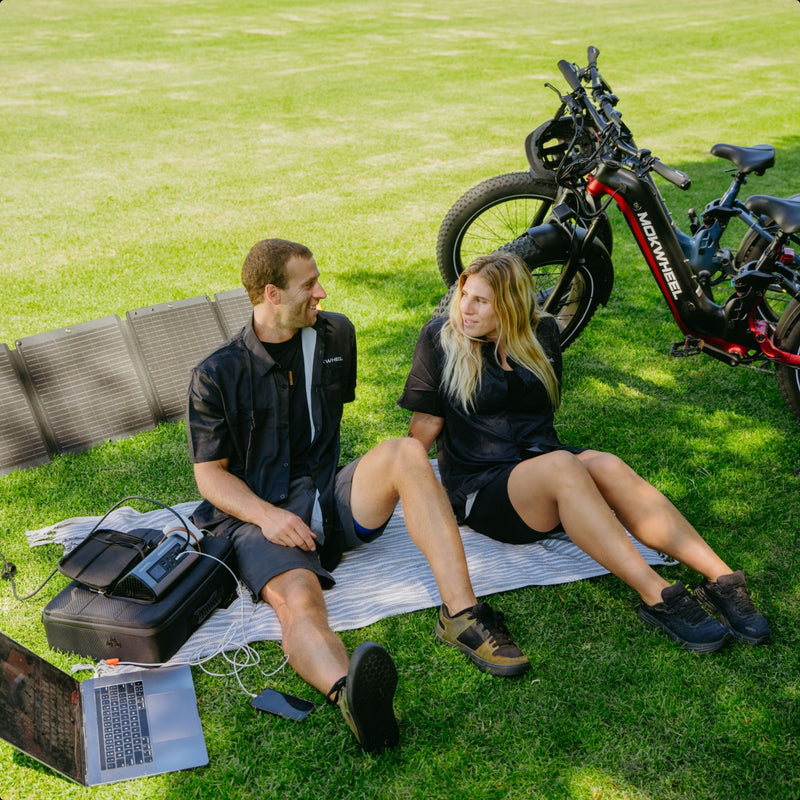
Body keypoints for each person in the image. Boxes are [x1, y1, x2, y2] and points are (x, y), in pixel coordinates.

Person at [186, 239, 529, 754]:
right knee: (300, 602)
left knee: (407, 454)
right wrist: (268, 516)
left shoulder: (336, 335)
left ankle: (461, 614)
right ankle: (351, 695)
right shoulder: (216, 374)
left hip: (328, 496)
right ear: (272, 295)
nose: (322, 292)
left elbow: (323, 431)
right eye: (309, 285)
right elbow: (210, 477)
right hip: (258, 520)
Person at [398, 251, 770, 654]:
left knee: (606, 464)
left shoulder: (540, 333)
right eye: (464, 295)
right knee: (561, 466)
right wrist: (410, 483)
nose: (465, 309)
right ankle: (658, 595)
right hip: (483, 488)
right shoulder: (440, 337)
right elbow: (425, 426)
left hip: (544, 465)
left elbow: (536, 418)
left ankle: (721, 580)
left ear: (510, 305)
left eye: (480, 301)